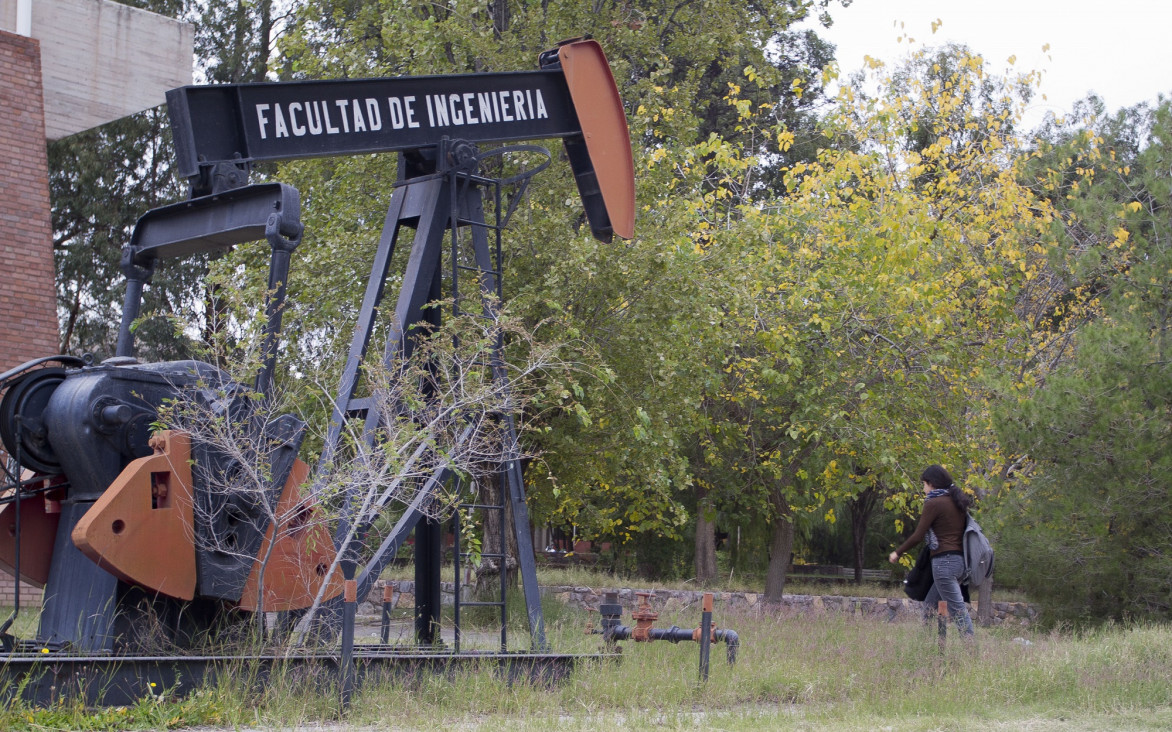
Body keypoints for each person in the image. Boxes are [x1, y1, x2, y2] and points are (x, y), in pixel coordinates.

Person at [889, 465, 975, 640]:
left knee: (957, 609)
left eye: (924, 484)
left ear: (932, 484)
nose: (923, 489)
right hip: (960, 563)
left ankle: (971, 650)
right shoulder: (956, 501)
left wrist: (897, 553)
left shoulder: (934, 503)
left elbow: (919, 535)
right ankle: (927, 645)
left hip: (944, 563)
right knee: (929, 605)